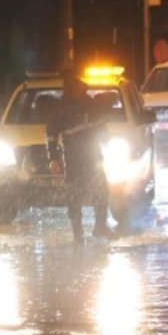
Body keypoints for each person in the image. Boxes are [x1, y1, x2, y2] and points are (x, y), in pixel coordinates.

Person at [47, 68, 110, 240]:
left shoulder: (90, 104)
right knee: (74, 195)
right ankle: (78, 233)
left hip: (93, 154)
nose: (80, 92)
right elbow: (52, 135)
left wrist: (107, 141)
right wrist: (53, 157)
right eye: (76, 89)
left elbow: (101, 126)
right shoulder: (61, 108)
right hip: (73, 156)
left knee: (101, 190)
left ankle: (100, 226)